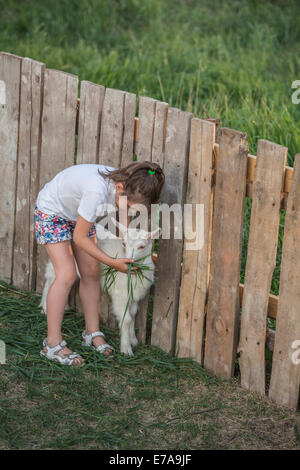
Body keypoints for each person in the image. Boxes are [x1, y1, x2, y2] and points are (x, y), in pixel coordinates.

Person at [34, 161, 165, 366]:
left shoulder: (126, 184)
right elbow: (79, 238)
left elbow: (124, 216)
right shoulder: (96, 190)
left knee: (91, 271)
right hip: (53, 214)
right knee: (67, 274)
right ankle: (52, 344)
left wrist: (126, 238)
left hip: (77, 215)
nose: (130, 211)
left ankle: (91, 333)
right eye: (130, 206)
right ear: (120, 188)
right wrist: (113, 262)